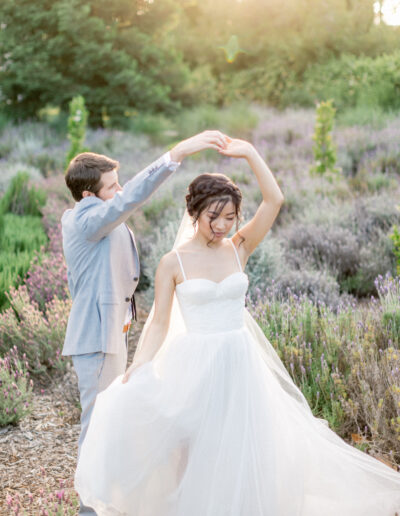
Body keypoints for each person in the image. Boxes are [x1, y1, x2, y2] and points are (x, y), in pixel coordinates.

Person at [74, 136, 400, 515]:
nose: (223, 226)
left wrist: (249, 153)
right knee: (192, 445)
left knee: (246, 443)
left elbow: (274, 200)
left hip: (239, 358)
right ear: (194, 212)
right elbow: (160, 323)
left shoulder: (238, 247)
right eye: (215, 217)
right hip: (194, 363)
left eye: (231, 217)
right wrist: (139, 364)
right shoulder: (172, 263)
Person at [61, 130, 229, 515]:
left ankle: (118, 497)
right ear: (89, 195)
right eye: (111, 186)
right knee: (99, 421)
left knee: (116, 417)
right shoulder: (86, 219)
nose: (119, 190)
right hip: (97, 338)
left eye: (118, 182)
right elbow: (133, 197)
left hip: (109, 332)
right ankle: (91, 507)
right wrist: (177, 153)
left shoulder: (93, 216)